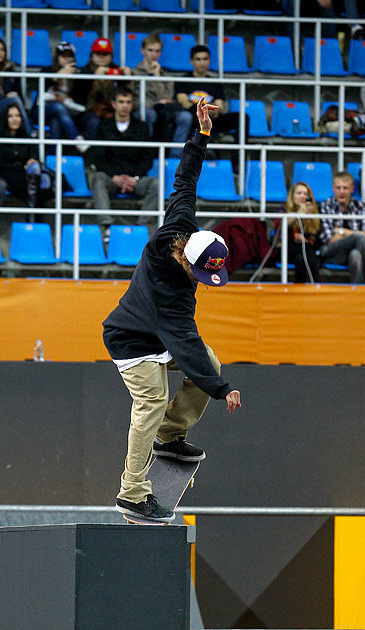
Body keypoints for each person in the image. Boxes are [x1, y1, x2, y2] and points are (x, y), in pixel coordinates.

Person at [103, 98, 241, 523]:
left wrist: (201, 134)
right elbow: (184, 343)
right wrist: (222, 389)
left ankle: (171, 433)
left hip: (160, 336)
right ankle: (131, 491)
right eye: (201, 276)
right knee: (151, 399)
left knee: (209, 363)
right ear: (186, 261)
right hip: (132, 339)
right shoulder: (172, 293)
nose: (203, 284)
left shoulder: (181, 224)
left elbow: (185, 180)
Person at [87, 86, 158, 236]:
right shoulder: (103, 127)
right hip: (112, 179)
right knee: (98, 178)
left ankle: (142, 226)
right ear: (113, 104)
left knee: (156, 184)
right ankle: (106, 226)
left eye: (128, 102)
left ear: (132, 104)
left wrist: (135, 178)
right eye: (121, 102)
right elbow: (98, 157)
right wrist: (115, 177)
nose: (125, 105)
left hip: (136, 179)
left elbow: (148, 157)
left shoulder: (142, 128)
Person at [132, 33, 192, 158]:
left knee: (185, 116)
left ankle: (174, 157)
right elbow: (135, 100)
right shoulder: (133, 73)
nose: (153, 54)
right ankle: (146, 155)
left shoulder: (166, 76)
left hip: (164, 111)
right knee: (149, 113)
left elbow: (168, 97)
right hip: (143, 111)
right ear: (142, 50)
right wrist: (156, 103)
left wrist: (157, 76)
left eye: (157, 51)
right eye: (150, 50)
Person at [175, 45, 249, 145]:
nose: (202, 63)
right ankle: (204, 148)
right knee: (194, 112)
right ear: (191, 61)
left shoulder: (215, 82)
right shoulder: (183, 81)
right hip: (193, 118)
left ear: (209, 60)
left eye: (205, 59)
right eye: (198, 59)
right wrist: (204, 110)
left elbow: (219, 106)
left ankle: (239, 157)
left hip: (211, 118)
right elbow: (183, 102)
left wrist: (213, 110)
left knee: (242, 117)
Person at [33, 41, 93, 154]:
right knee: (57, 107)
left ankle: (52, 158)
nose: (66, 59)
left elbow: (80, 101)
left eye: (69, 56)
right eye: (63, 56)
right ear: (57, 57)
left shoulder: (77, 78)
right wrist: (58, 75)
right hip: (42, 111)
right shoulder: (46, 71)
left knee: (55, 121)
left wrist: (66, 99)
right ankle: (77, 139)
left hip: (66, 114)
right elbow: (39, 96)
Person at [0, 102, 51, 209]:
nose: (15, 119)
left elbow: (35, 156)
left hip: (28, 174)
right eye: (10, 116)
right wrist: (22, 166)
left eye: (18, 116)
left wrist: (32, 160)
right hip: (8, 174)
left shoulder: (28, 139)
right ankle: (34, 214)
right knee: (28, 183)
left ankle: (36, 215)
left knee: (42, 178)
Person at [77, 38, 131, 132]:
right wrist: (94, 77)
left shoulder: (116, 70)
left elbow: (126, 93)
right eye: (98, 54)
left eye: (105, 54)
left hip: (113, 110)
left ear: (111, 57)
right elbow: (79, 95)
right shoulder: (84, 72)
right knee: (94, 122)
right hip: (88, 111)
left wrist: (128, 77)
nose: (101, 57)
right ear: (92, 55)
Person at [286, 182, 320, 283]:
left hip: (304, 251)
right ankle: (317, 284)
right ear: (292, 196)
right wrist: (298, 214)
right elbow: (282, 226)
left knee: (300, 259)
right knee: (307, 249)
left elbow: (316, 237)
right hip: (286, 249)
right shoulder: (283, 210)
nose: (302, 196)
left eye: (305, 194)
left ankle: (298, 292)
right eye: (299, 193)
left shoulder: (313, 214)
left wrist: (305, 240)